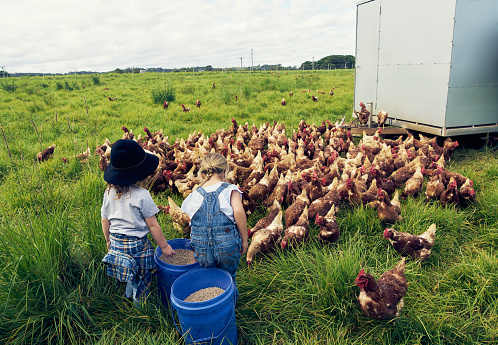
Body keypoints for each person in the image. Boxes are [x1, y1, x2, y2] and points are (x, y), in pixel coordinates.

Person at [101, 139, 175, 305]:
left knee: (128, 268)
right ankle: (140, 306)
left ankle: (128, 293)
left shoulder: (108, 192)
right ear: (140, 172)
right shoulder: (142, 195)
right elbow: (153, 225)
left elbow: (105, 219)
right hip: (136, 245)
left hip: (116, 242)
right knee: (142, 274)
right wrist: (164, 247)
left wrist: (108, 240)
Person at [181, 153, 248, 298]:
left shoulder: (194, 194)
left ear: (204, 172)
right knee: (229, 276)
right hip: (227, 244)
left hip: (201, 246)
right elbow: (238, 212)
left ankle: (212, 303)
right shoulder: (230, 189)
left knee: (209, 279)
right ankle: (229, 304)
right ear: (224, 171)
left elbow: (191, 220)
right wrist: (244, 239)